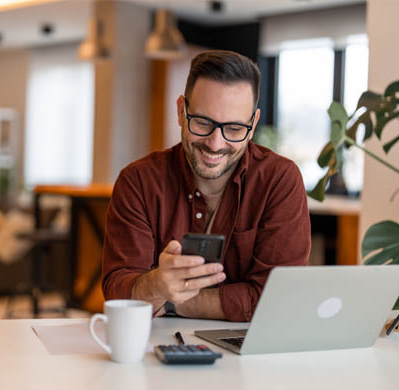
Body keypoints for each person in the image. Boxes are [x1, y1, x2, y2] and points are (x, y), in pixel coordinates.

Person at [102, 50, 310, 322]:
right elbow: (118, 292)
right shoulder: (139, 181)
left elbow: (279, 300)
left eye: (234, 129)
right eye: (202, 122)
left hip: (250, 352)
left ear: (253, 123)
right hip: (157, 351)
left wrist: (173, 301)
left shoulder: (279, 181)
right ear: (181, 111)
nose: (215, 143)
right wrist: (156, 285)